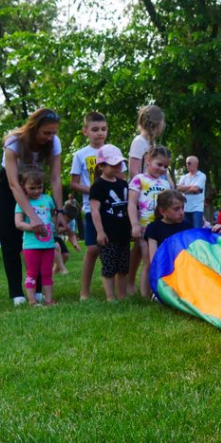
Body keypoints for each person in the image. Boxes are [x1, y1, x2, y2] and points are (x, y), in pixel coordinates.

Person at [0, 108, 67, 306]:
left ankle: (39, 290)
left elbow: (56, 179)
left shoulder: (53, 143)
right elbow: (14, 184)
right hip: (8, 190)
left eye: (53, 133)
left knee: (40, 239)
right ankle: (17, 292)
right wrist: (31, 216)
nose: (50, 137)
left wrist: (59, 211)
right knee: (12, 242)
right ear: (34, 128)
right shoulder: (14, 142)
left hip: (35, 189)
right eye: (46, 133)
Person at [70, 112, 122, 300]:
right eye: (95, 129)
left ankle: (117, 290)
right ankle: (84, 291)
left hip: (113, 209)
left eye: (103, 129)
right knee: (93, 249)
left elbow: (121, 178)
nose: (100, 133)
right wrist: (94, 190)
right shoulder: (80, 155)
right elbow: (74, 183)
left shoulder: (113, 151)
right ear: (85, 131)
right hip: (91, 208)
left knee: (115, 248)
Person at [127, 105, 172, 294]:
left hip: (155, 202)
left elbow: (163, 172)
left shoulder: (152, 144)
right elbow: (134, 170)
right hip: (142, 200)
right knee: (142, 249)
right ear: (157, 123)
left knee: (142, 250)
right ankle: (131, 283)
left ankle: (135, 283)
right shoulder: (140, 142)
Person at [89, 145, 132, 302]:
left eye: (119, 164)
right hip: (107, 234)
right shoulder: (98, 186)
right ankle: (110, 296)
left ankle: (122, 295)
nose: (117, 167)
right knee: (109, 267)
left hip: (123, 233)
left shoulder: (123, 184)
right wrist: (100, 231)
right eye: (112, 165)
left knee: (123, 267)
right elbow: (94, 210)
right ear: (102, 166)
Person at [14, 171, 57, 306]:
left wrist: (54, 227)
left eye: (40, 187)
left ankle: (49, 300)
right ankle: (32, 300)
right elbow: (18, 223)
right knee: (32, 272)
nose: (37, 191)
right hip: (31, 245)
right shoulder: (22, 202)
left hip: (48, 244)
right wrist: (33, 227)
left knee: (47, 272)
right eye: (32, 188)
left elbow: (53, 215)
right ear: (23, 186)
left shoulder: (48, 199)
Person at [144, 189, 190, 263]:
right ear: (163, 211)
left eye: (182, 207)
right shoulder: (154, 228)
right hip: (164, 270)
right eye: (176, 209)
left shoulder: (187, 226)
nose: (182, 212)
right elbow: (154, 259)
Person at [176, 155, 207, 229]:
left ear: (196, 164)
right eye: (186, 163)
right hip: (185, 208)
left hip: (197, 209)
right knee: (186, 230)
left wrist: (184, 190)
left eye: (189, 163)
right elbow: (178, 188)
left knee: (197, 230)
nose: (187, 165)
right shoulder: (184, 177)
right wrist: (192, 187)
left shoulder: (201, 176)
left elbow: (196, 189)